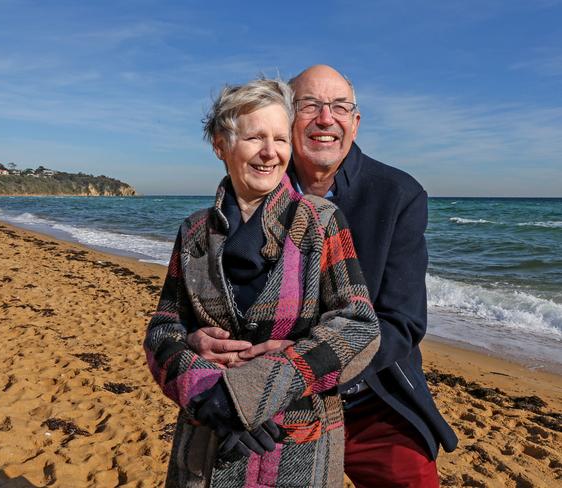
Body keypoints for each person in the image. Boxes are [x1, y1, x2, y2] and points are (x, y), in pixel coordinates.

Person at [187, 65, 459, 487]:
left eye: (340, 107)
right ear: (286, 116)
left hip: (371, 394)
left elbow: (402, 324)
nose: (326, 119)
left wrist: (302, 364)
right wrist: (196, 338)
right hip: (270, 398)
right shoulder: (259, 183)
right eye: (309, 105)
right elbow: (214, 297)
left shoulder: (398, 194)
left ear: (355, 122)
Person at [144, 77, 380, 487]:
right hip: (207, 441)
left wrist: (251, 395)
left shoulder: (321, 221)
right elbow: (164, 330)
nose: (270, 152)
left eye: (280, 138)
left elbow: (359, 326)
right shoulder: (195, 231)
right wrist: (207, 396)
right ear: (221, 144)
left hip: (298, 444)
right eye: (255, 137)